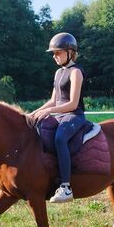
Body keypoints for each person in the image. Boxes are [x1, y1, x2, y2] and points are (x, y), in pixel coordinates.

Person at [29, 32, 87, 203]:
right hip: (60, 114)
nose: (54, 56)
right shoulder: (57, 73)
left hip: (74, 115)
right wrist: (33, 113)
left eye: (58, 52)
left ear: (70, 52)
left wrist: (51, 111)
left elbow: (73, 104)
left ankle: (66, 187)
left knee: (60, 138)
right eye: (53, 53)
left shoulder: (76, 72)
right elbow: (53, 100)